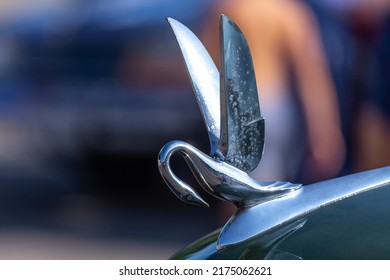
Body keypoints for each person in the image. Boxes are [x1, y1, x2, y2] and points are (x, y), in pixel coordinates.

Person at [202, 0, 346, 183]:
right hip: (279, 108)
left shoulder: (228, 8)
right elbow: (312, 78)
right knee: (273, 189)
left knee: (233, 187)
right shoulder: (288, 12)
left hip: (238, 108)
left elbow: (208, 65)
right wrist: (325, 132)